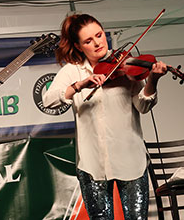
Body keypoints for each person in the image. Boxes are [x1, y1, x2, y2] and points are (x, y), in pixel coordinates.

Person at [43, 13, 168, 219]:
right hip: (92, 164)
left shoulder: (127, 64)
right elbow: (49, 100)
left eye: (99, 35)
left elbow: (143, 106)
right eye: (88, 41)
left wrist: (153, 80)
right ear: (78, 45)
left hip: (131, 159)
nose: (97, 43)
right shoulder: (72, 71)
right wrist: (80, 85)